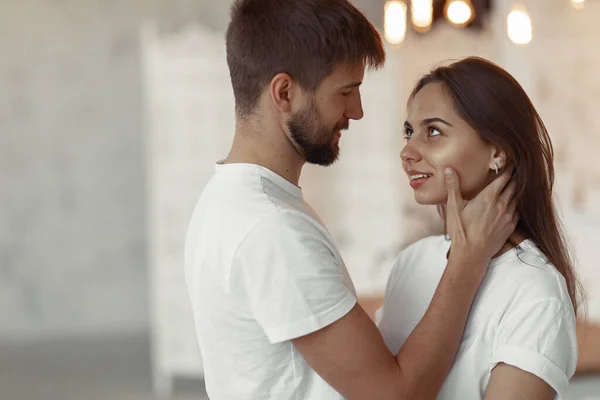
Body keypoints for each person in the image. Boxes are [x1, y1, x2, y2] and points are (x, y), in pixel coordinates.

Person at [184, 1, 517, 399]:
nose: (356, 112)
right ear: (285, 93)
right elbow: (395, 394)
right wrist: (469, 257)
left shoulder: (227, 200)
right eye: (346, 91)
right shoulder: (271, 229)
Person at [377, 57, 580, 400]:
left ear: (497, 152)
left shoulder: (535, 291)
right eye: (409, 132)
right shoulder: (411, 263)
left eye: (434, 131)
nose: (407, 152)